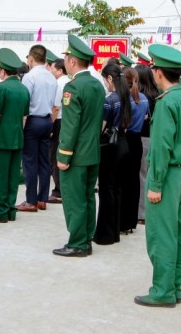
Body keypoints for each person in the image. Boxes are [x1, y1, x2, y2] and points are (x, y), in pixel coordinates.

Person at [134, 44, 181, 308]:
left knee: (161, 235)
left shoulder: (168, 102)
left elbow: (161, 148)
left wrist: (155, 183)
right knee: (177, 232)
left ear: (158, 73)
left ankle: (162, 290)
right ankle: (175, 285)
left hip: (167, 175)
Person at [53, 35, 105, 257]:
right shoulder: (97, 85)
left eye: (66, 58)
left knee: (74, 200)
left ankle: (77, 243)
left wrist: (63, 155)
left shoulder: (73, 88)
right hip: (92, 152)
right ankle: (86, 238)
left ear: (73, 61)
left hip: (75, 155)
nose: (64, 61)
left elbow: (70, 126)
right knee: (87, 198)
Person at [0, 49, 30, 223]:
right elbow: (25, 117)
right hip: (17, 138)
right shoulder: (24, 89)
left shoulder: (1, 88)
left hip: (1, 139)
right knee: (12, 176)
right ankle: (10, 209)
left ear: (3, 71)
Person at [93, 62, 131, 245]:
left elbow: (102, 126)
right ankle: (114, 231)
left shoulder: (109, 101)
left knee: (106, 189)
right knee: (117, 189)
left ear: (109, 78)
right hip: (123, 143)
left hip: (110, 146)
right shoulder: (126, 97)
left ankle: (105, 234)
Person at [17, 45, 57, 212]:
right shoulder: (51, 77)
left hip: (32, 121)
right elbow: (55, 105)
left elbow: (25, 105)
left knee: (30, 162)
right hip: (47, 121)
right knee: (44, 162)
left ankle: (31, 200)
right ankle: (42, 199)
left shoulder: (29, 77)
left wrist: (22, 127)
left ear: (31, 59)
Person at [120, 66, 148, 234]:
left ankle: (122, 222)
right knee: (134, 182)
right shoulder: (143, 99)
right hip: (137, 140)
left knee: (122, 182)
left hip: (126, 139)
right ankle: (131, 220)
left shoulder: (124, 99)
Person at [135, 62, 161, 225]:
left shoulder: (142, 98)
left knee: (142, 176)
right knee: (146, 175)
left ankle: (142, 213)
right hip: (152, 138)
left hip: (143, 138)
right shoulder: (156, 95)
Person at [48, 58, 70, 203]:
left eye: (53, 68)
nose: (51, 71)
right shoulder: (69, 81)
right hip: (66, 121)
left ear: (60, 70)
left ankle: (58, 190)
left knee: (54, 156)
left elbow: (56, 107)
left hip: (58, 121)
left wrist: (50, 124)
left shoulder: (59, 83)